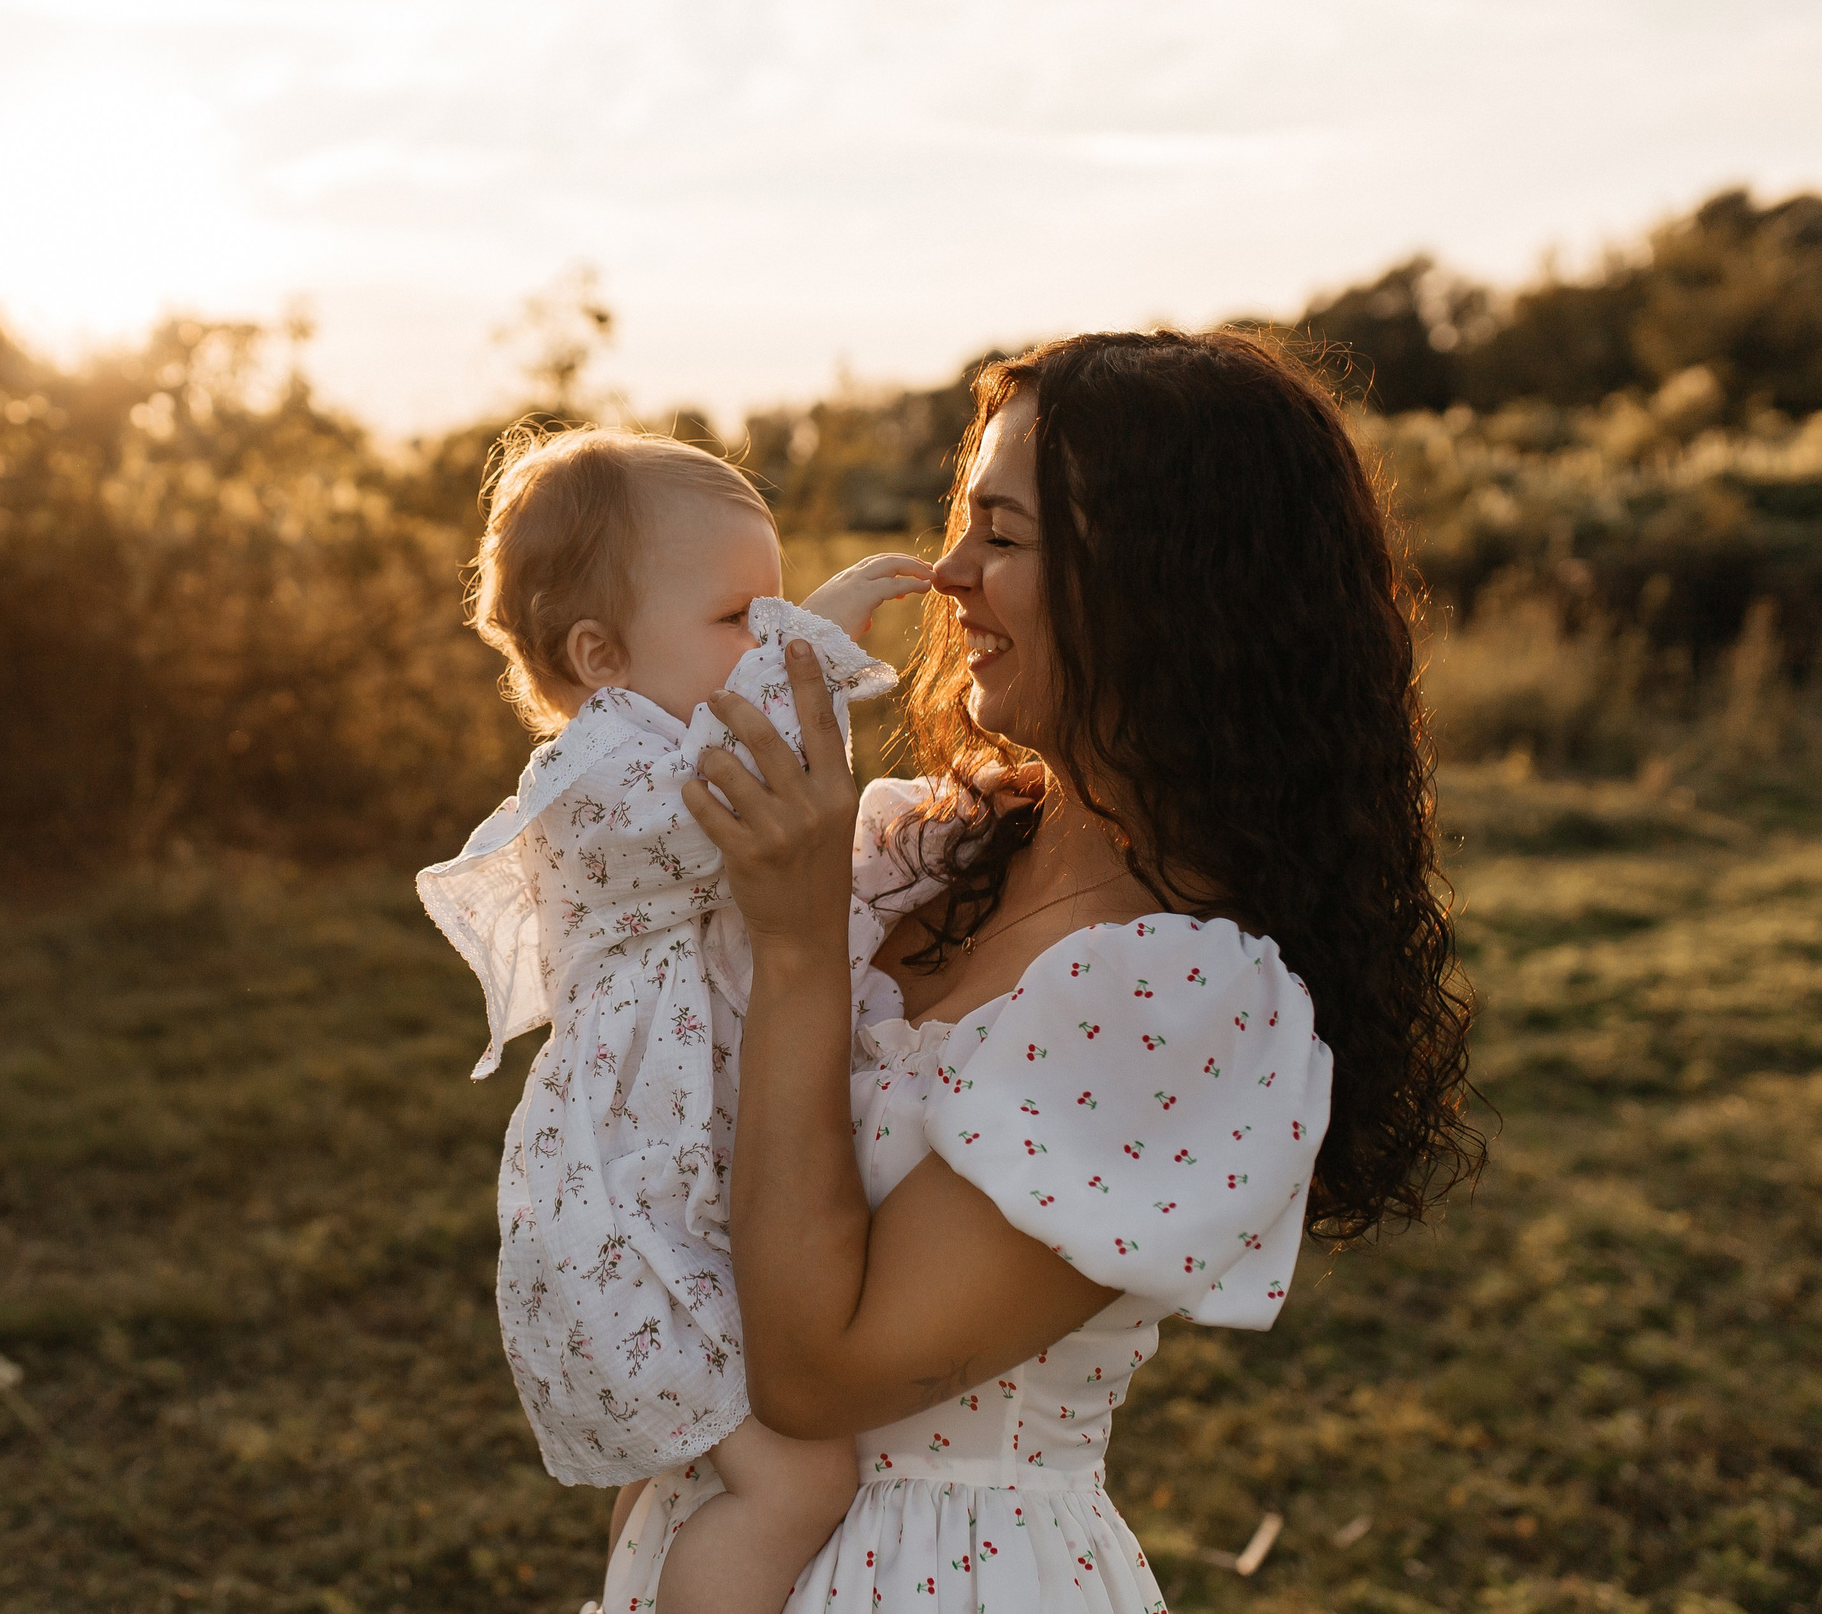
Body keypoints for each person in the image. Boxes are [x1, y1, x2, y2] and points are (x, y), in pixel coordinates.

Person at [598, 330, 1480, 1613]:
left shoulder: (1182, 1001)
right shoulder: (929, 852)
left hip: (936, 1573)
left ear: (1166, 584)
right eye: (964, 521)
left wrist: (794, 949)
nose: (947, 573)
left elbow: (818, 1375)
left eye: (1002, 536)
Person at [418, 426, 934, 1614]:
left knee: (699, 1468)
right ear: (599, 657)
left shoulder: (668, 750)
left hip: (686, 1179)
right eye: (741, 618)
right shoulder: (592, 776)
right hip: (631, 1200)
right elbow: (717, 809)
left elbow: (817, 863)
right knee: (793, 1480)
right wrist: (813, 642)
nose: (769, 638)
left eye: (775, 612)